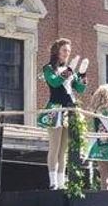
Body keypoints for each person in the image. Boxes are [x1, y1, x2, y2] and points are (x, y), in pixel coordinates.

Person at [37, 38, 87, 190]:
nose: (67, 54)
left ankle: (61, 182)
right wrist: (69, 72)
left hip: (69, 111)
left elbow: (80, 89)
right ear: (57, 51)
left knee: (64, 149)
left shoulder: (69, 70)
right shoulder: (48, 69)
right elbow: (54, 83)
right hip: (56, 109)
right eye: (65, 50)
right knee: (55, 147)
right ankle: (53, 182)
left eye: (69, 51)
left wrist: (83, 75)